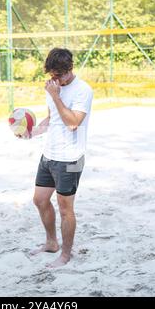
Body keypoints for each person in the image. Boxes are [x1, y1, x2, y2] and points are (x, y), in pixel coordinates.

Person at [24, 48, 93, 268]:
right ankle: (51, 243)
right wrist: (31, 132)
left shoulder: (83, 90)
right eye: (52, 76)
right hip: (49, 154)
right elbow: (51, 118)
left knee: (65, 208)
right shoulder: (52, 87)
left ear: (69, 69)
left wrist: (56, 96)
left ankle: (65, 254)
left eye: (58, 76)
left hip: (71, 159)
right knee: (40, 200)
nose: (55, 80)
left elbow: (72, 123)